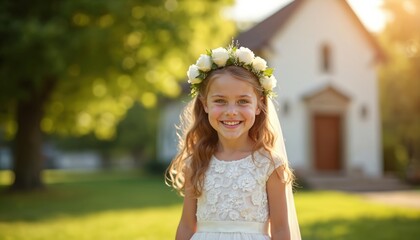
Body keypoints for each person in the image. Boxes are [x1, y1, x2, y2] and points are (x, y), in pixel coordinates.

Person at [166, 43, 301, 240]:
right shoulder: (196, 160)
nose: (231, 111)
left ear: (258, 105)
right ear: (205, 104)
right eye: (220, 101)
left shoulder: (270, 164)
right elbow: (187, 225)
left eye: (243, 101)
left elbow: (280, 230)